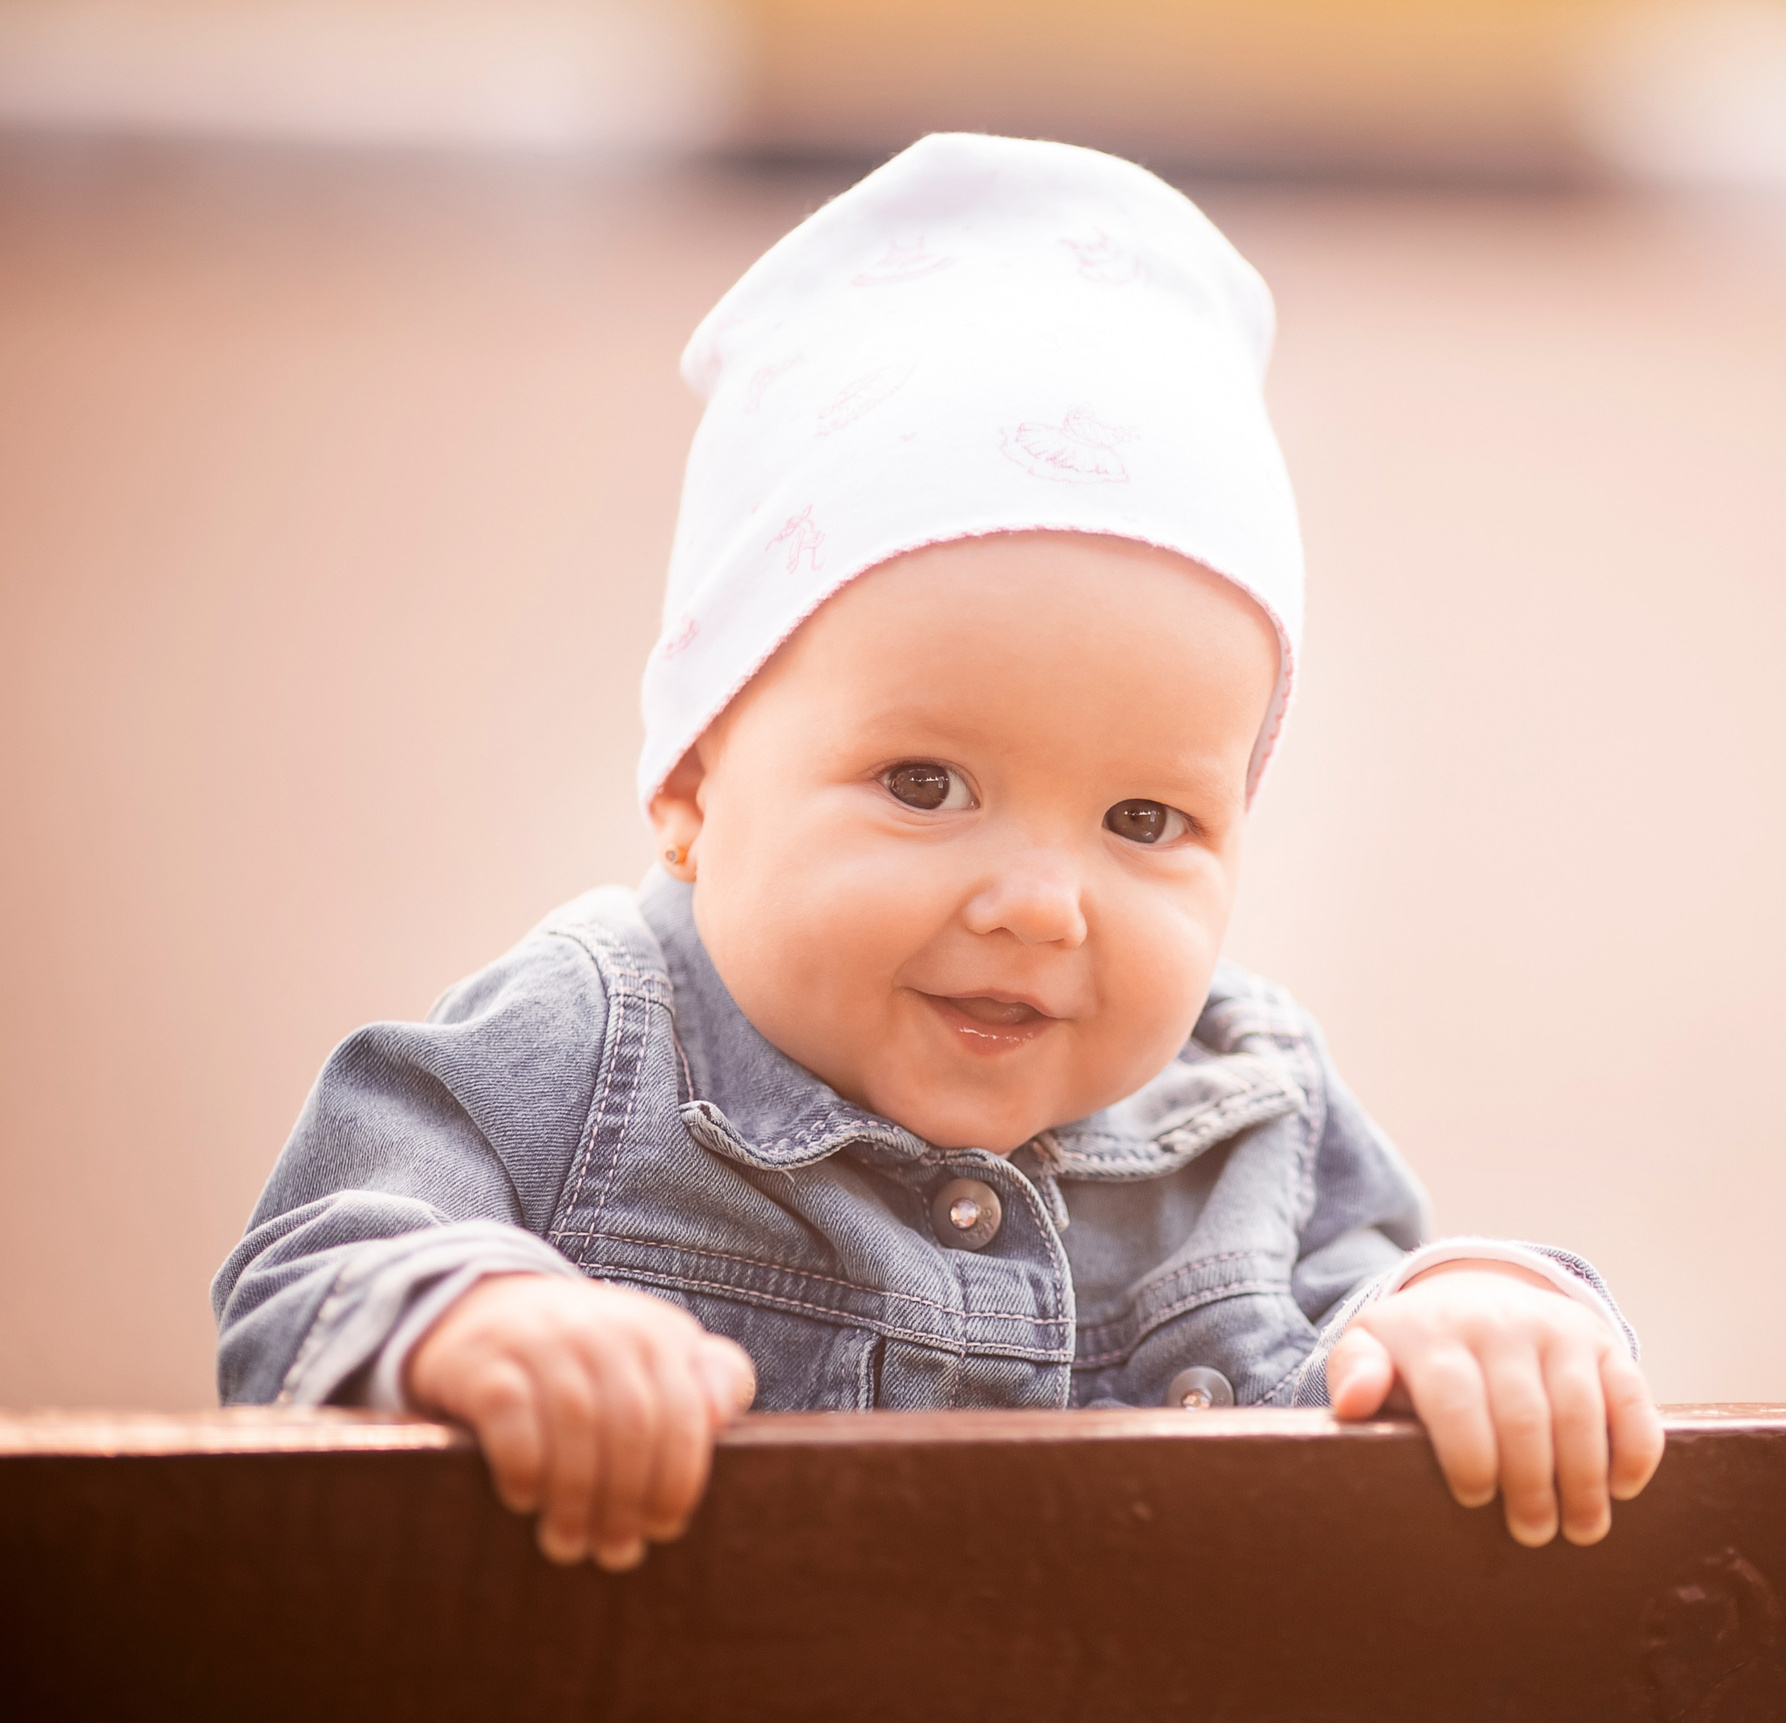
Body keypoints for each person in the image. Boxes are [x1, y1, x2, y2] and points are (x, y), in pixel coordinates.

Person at [213, 134, 1663, 1573]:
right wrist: (477, 1321)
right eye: (925, 783)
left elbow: (1375, 1314)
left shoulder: (1248, 1110)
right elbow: (312, 1265)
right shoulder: (590, 1039)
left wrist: (1484, 1309)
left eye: (1144, 821)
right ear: (696, 783)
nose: (1040, 905)